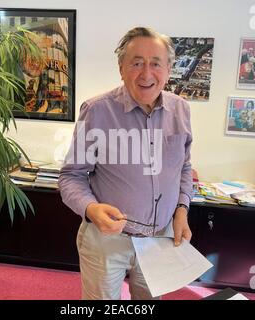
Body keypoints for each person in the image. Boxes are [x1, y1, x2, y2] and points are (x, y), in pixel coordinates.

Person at [59, 27, 193, 300]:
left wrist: (182, 208)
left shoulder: (181, 109)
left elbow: (185, 167)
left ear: (168, 69)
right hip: (107, 241)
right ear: (121, 68)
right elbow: (71, 176)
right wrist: (91, 208)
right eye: (136, 63)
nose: (146, 74)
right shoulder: (97, 111)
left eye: (156, 63)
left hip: (160, 239)